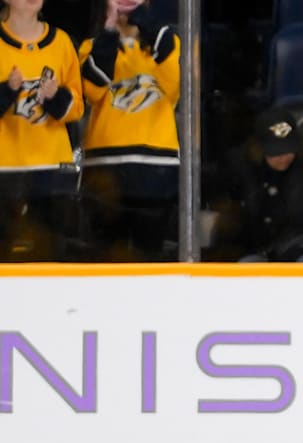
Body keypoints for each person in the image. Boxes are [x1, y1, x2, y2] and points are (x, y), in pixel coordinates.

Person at [78, 0, 179, 262]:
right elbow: (92, 91)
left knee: (150, 258)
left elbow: (177, 88)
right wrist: (109, 34)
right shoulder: (90, 46)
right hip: (105, 168)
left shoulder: (168, 43)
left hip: (156, 166)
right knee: (105, 259)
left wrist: (155, 34)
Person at [0, 0, 83, 261]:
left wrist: (55, 97)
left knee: (50, 254)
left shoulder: (61, 42)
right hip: (5, 168)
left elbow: (78, 107)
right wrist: (7, 91)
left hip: (51, 170)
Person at [222, 107, 303, 262]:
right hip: (262, 250)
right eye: (275, 152)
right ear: (258, 148)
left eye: (287, 150)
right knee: (247, 266)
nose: (283, 157)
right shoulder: (245, 169)